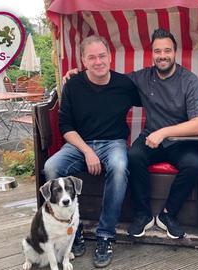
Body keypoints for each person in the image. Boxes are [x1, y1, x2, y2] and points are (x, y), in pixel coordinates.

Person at [63, 29, 198, 239]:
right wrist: (77, 74)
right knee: (133, 156)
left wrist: (165, 132)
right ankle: (143, 213)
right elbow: (108, 79)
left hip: (181, 141)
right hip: (150, 139)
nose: (162, 55)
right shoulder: (141, 78)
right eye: (157, 51)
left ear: (175, 53)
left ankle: (169, 214)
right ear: (152, 54)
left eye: (167, 50)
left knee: (194, 164)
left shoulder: (189, 81)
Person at [44, 35, 140, 268]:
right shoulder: (74, 85)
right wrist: (88, 151)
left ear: (110, 56)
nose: (98, 61)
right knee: (52, 167)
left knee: (119, 167)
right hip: (79, 143)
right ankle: (72, 231)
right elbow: (65, 126)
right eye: (92, 57)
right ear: (83, 61)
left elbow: (154, 100)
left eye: (102, 55)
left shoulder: (124, 84)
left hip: (113, 142)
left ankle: (105, 236)